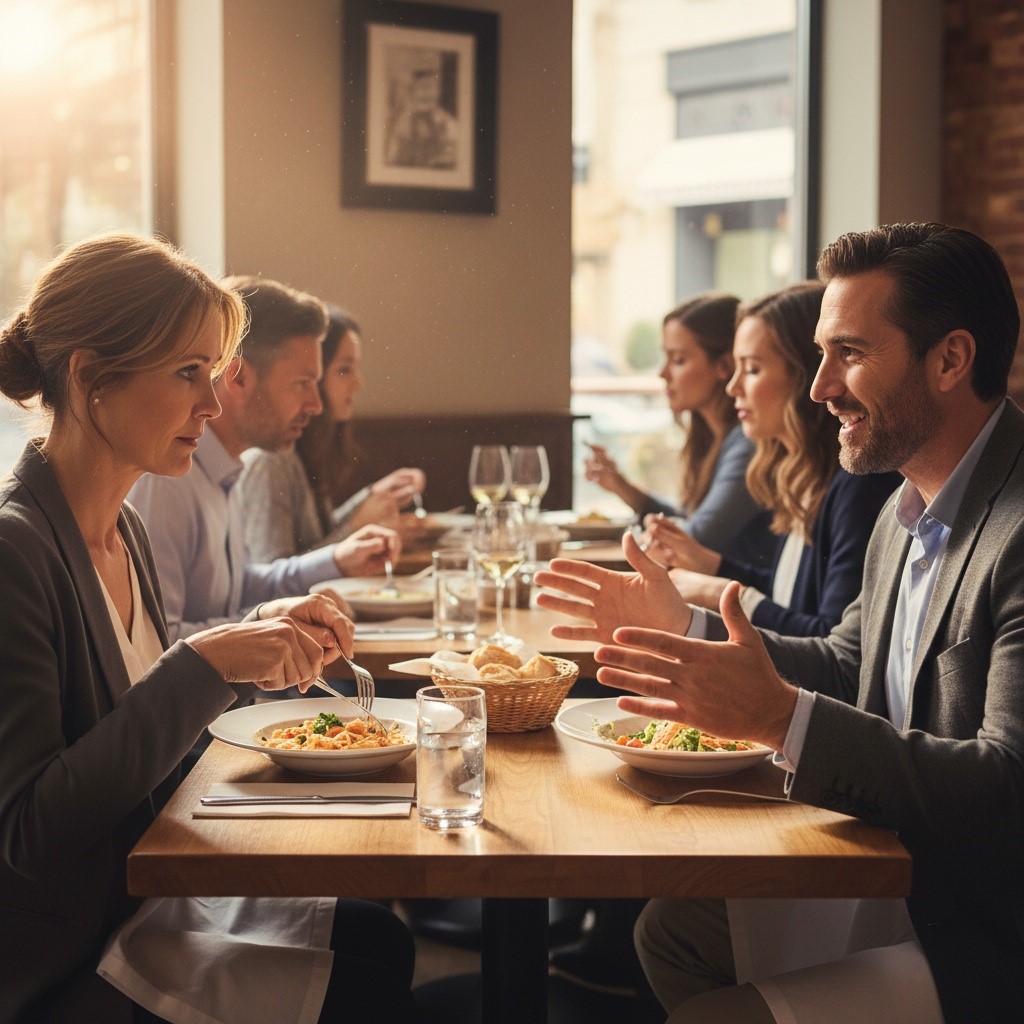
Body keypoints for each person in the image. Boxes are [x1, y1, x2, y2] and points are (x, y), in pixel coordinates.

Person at [536, 222, 1024, 1023]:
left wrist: (781, 718)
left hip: (981, 918)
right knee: (672, 933)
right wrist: (689, 624)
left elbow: (1008, 790)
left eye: (850, 354)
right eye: (822, 354)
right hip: (898, 859)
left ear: (950, 360)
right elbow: (849, 663)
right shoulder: (905, 509)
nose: (821, 387)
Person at [0, 233, 417, 1024]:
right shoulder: (15, 551)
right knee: (369, 986)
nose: (213, 404)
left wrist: (255, 635)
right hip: (75, 948)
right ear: (90, 379)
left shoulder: (123, 529)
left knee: (381, 939)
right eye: (188, 372)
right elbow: (27, 840)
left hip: (145, 898)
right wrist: (206, 663)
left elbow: (142, 724)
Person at [127, 277, 400, 643]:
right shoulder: (167, 482)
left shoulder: (225, 470)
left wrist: (336, 560)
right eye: (302, 384)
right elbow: (158, 641)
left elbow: (239, 588)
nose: (315, 406)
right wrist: (270, 623)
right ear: (239, 379)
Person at [642, 282, 901, 637]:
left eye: (751, 369)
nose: (733, 387)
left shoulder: (857, 486)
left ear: (803, 377)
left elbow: (830, 642)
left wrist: (720, 593)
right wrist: (710, 565)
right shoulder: (802, 476)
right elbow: (788, 596)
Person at [584, 293, 774, 566]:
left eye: (678, 360)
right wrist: (621, 486)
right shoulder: (712, 439)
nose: (663, 373)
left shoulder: (747, 443)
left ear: (723, 366)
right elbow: (688, 523)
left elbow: (695, 539)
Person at [238, 306, 427, 562]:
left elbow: (319, 534)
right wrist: (356, 528)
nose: (358, 383)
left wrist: (371, 496)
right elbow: (272, 572)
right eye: (344, 370)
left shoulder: (303, 448)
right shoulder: (269, 461)